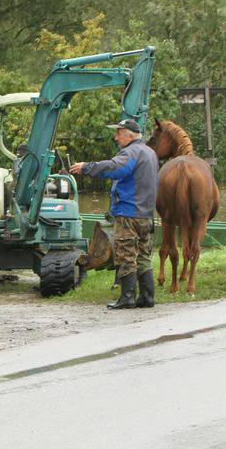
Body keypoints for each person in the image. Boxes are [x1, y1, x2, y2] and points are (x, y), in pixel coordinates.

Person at [69, 118, 158, 309]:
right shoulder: (150, 153)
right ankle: (147, 297)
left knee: (125, 254)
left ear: (129, 134)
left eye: (118, 132)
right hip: (147, 215)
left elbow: (114, 168)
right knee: (143, 254)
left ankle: (127, 298)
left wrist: (87, 167)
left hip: (129, 213)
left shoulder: (131, 153)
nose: (115, 137)